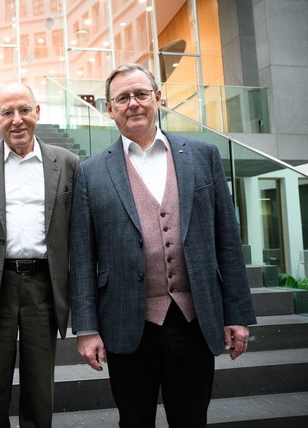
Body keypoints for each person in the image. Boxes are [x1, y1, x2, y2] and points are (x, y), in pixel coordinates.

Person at [69, 63, 257, 427]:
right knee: (134, 420)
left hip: (193, 319)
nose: (133, 103)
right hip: (125, 322)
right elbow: (82, 257)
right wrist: (87, 328)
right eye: (122, 98)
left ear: (158, 98)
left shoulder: (203, 156)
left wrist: (237, 314)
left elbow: (227, 241)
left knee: (191, 419)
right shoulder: (91, 171)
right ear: (109, 109)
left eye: (141, 94)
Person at [0, 82, 80, 427]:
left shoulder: (67, 162)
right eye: (7, 112)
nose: (17, 120)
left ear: (38, 112)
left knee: (40, 394)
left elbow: (75, 229)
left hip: (44, 287)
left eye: (24, 109)